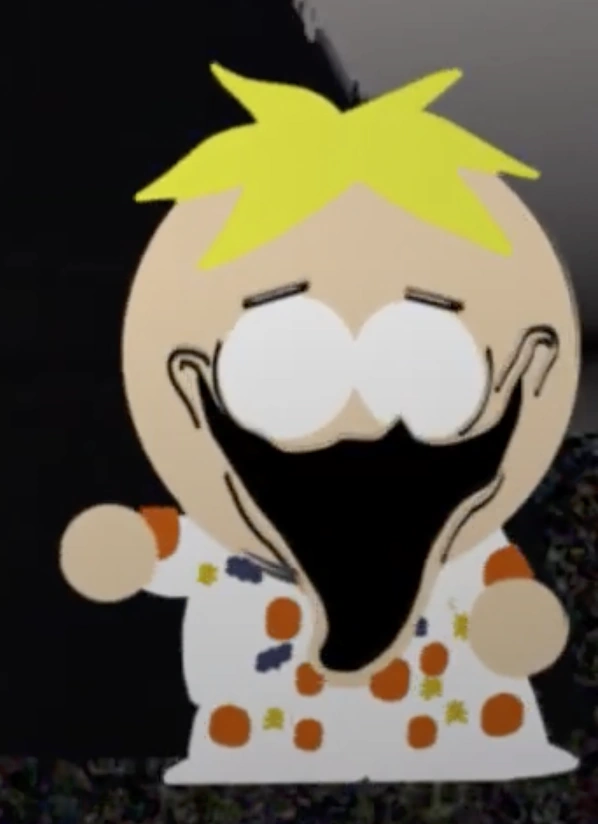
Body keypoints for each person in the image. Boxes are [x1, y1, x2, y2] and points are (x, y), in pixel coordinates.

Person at [59, 64, 580, 785]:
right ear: (187, 372)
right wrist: (122, 548)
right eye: (286, 355)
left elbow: (509, 604)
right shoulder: (233, 540)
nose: (357, 420)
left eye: (417, 350)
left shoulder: (465, 539)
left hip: (472, 758)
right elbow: (150, 548)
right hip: (255, 769)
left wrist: (515, 622)